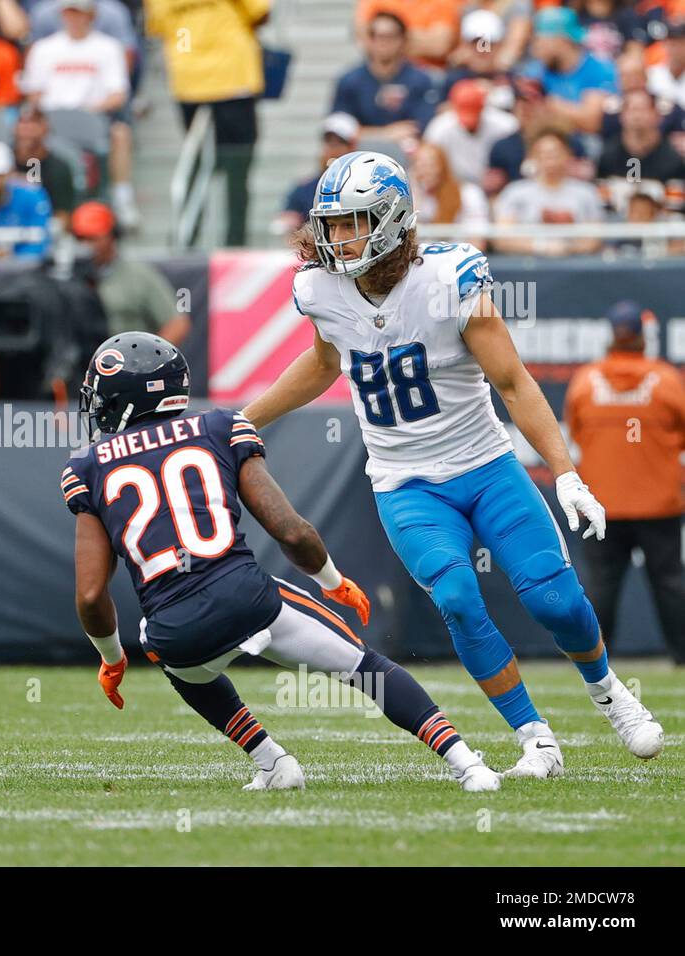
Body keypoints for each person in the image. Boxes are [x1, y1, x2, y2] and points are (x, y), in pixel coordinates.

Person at [241, 150, 664, 777]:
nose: (337, 237)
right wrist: (244, 421)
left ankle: (610, 693)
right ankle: (534, 738)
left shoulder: (449, 278)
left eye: (353, 222)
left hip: (486, 466)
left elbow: (515, 382)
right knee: (461, 598)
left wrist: (567, 472)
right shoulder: (320, 288)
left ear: (390, 220)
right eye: (331, 224)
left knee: (553, 600)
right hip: (405, 483)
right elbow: (326, 363)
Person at [65, 331, 500, 792]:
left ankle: (271, 761)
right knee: (366, 669)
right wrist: (332, 581)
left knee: (163, 648)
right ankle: (467, 764)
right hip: (248, 597)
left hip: (177, 629)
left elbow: (91, 595)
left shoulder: (88, 467)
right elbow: (292, 531)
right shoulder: (219, 428)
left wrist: (112, 660)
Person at [565, 301, 685, 663]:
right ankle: (682, 656)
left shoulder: (586, 380)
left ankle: (594, 660)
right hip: (658, 502)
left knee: (601, 585)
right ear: (642, 338)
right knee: (669, 583)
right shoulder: (665, 379)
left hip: (603, 503)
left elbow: (576, 434)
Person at [145, 0, 268, 246]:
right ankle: (234, 239)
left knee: (198, 158)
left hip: (188, 77)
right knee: (238, 165)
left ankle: (188, 234)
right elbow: (261, 13)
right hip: (232, 76)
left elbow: (159, 26)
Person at [21, 0, 137, 229]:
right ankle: (32, 190)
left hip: (94, 118)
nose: (74, 19)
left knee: (120, 133)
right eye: (69, 13)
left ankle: (122, 196)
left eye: (79, 13)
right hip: (51, 120)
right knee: (27, 135)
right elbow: (33, 92)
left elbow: (118, 94)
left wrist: (86, 113)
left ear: (91, 16)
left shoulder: (108, 47)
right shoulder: (44, 48)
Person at [70, 202, 189, 344]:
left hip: (127, 359)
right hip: (84, 362)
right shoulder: (67, 277)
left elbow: (178, 324)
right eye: (80, 239)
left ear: (113, 236)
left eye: (93, 238)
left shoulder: (138, 275)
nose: (86, 246)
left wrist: (147, 357)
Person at [330, 11, 439, 143]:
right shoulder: (349, 81)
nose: (384, 43)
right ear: (369, 40)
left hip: (406, 150)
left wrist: (364, 132)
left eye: (390, 36)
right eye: (378, 36)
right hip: (359, 152)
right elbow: (339, 128)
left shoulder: (420, 80)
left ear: (403, 40)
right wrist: (385, 134)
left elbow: (421, 127)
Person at [494, 129, 605, 256]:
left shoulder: (586, 193)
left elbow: (595, 239)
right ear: (532, 157)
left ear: (568, 155)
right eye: (543, 154)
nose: (550, 160)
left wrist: (567, 248)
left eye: (556, 153)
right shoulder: (514, 192)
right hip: (527, 265)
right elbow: (501, 238)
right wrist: (540, 247)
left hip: (577, 264)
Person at [521, 5, 618, 133]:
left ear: (562, 39)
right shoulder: (536, 70)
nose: (536, 48)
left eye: (540, 40)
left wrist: (549, 103)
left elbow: (592, 122)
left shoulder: (599, 68)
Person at [422, 78, 519, 187]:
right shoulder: (440, 128)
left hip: (496, 188)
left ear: (483, 108)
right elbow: (428, 160)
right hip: (454, 186)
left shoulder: (505, 124)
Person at [278, 112, 359, 234]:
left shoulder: (363, 186)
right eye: (328, 142)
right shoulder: (304, 188)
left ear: (352, 147)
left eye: (339, 143)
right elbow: (287, 221)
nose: (332, 149)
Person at [410, 141, 490, 249]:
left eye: (430, 165)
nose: (424, 171)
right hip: (422, 259)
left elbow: (477, 241)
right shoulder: (412, 196)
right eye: (419, 166)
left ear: (443, 166)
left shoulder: (469, 194)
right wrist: (416, 196)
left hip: (459, 258)